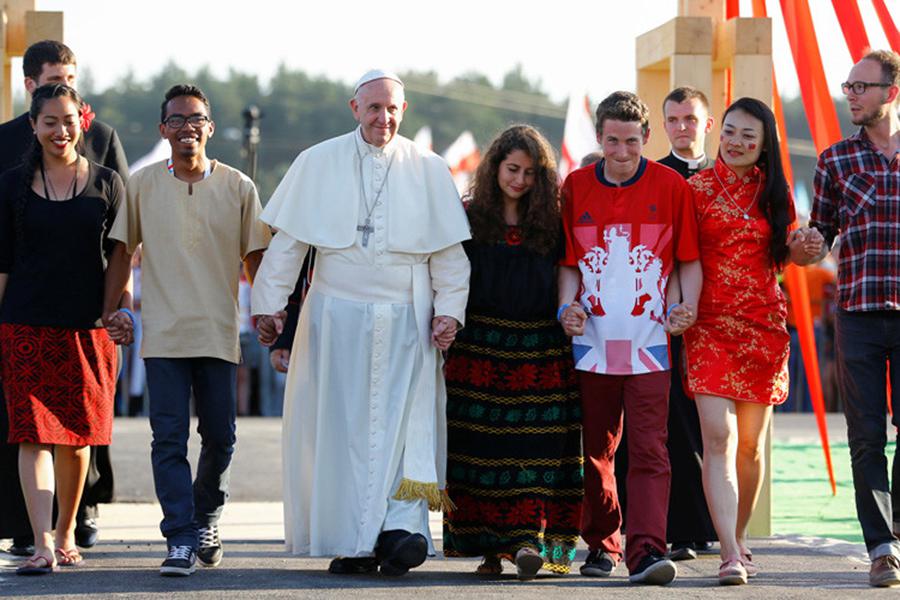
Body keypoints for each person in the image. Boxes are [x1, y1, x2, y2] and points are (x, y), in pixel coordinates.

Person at [251, 69, 470, 577]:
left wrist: (449, 311)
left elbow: (449, 256)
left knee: (401, 428)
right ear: (355, 108)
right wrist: (270, 306)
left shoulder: (430, 168)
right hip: (336, 320)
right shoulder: (317, 162)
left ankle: (401, 532)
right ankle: (352, 539)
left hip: (407, 320)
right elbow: (288, 247)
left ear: (404, 110)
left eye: (392, 109)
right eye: (374, 108)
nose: (383, 118)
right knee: (341, 429)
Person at [103, 84, 271, 576]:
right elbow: (121, 252)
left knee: (220, 437)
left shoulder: (239, 186)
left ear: (210, 128)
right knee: (169, 440)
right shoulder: (141, 185)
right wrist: (111, 310)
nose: (186, 127)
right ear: (163, 130)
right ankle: (179, 536)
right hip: (164, 336)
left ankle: (207, 517)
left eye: (196, 118)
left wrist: (268, 315)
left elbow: (256, 258)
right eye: (176, 120)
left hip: (219, 333)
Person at [557, 91, 701, 585]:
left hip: (650, 344)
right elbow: (568, 263)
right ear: (599, 137)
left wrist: (687, 307)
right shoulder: (575, 186)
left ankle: (647, 550)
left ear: (647, 138)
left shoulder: (671, 186)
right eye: (613, 141)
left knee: (650, 450)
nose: (622, 152)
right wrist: (565, 307)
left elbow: (687, 259)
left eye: (632, 142)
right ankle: (602, 545)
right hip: (592, 345)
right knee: (597, 449)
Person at [681, 97, 822, 585]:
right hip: (708, 326)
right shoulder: (695, 190)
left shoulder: (775, 193)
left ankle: (739, 535)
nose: (736, 142)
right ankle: (728, 553)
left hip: (762, 327)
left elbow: (789, 257)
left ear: (764, 146)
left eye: (748, 136)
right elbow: (682, 256)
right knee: (717, 437)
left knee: (751, 448)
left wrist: (804, 249)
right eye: (730, 131)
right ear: (718, 132)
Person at [0, 39, 128, 556]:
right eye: (49, 122)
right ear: (33, 125)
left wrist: (116, 310)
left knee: (76, 438)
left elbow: (122, 253)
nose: (60, 130)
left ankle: (67, 530)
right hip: (25, 324)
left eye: (68, 120)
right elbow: (2, 264)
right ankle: (39, 542)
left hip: (87, 328)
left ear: (82, 121)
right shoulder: (10, 185)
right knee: (31, 435)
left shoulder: (107, 182)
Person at [441, 125, 582, 580]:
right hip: (478, 352)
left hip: (541, 351)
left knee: (537, 453)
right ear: (495, 168)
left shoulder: (554, 222)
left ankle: (526, 543)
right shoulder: (466, 218)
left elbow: (569, 275)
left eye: (530, 172)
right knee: (477, 453)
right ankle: (488, 551)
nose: (520, 180)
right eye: (512, 169)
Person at [802, 49, 900, 588]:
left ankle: (897, 525)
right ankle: (882, 549)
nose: (851, 95)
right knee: (865, 436)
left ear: (891, 92)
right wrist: (807, 244)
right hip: (858, 314)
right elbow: (820, 237)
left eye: (861, 87)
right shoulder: (835, 160)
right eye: (848, 86)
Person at [655, 86, 718, 559]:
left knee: (720, 429)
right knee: (675, 423)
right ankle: (683, 529)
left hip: (723, 318)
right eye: (674, 119)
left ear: (707, 124)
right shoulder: (653, 177)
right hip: (670, 318)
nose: (682, 127)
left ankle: (723, 528)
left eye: (691, 119)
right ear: (663, 126)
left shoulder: (729, 177)